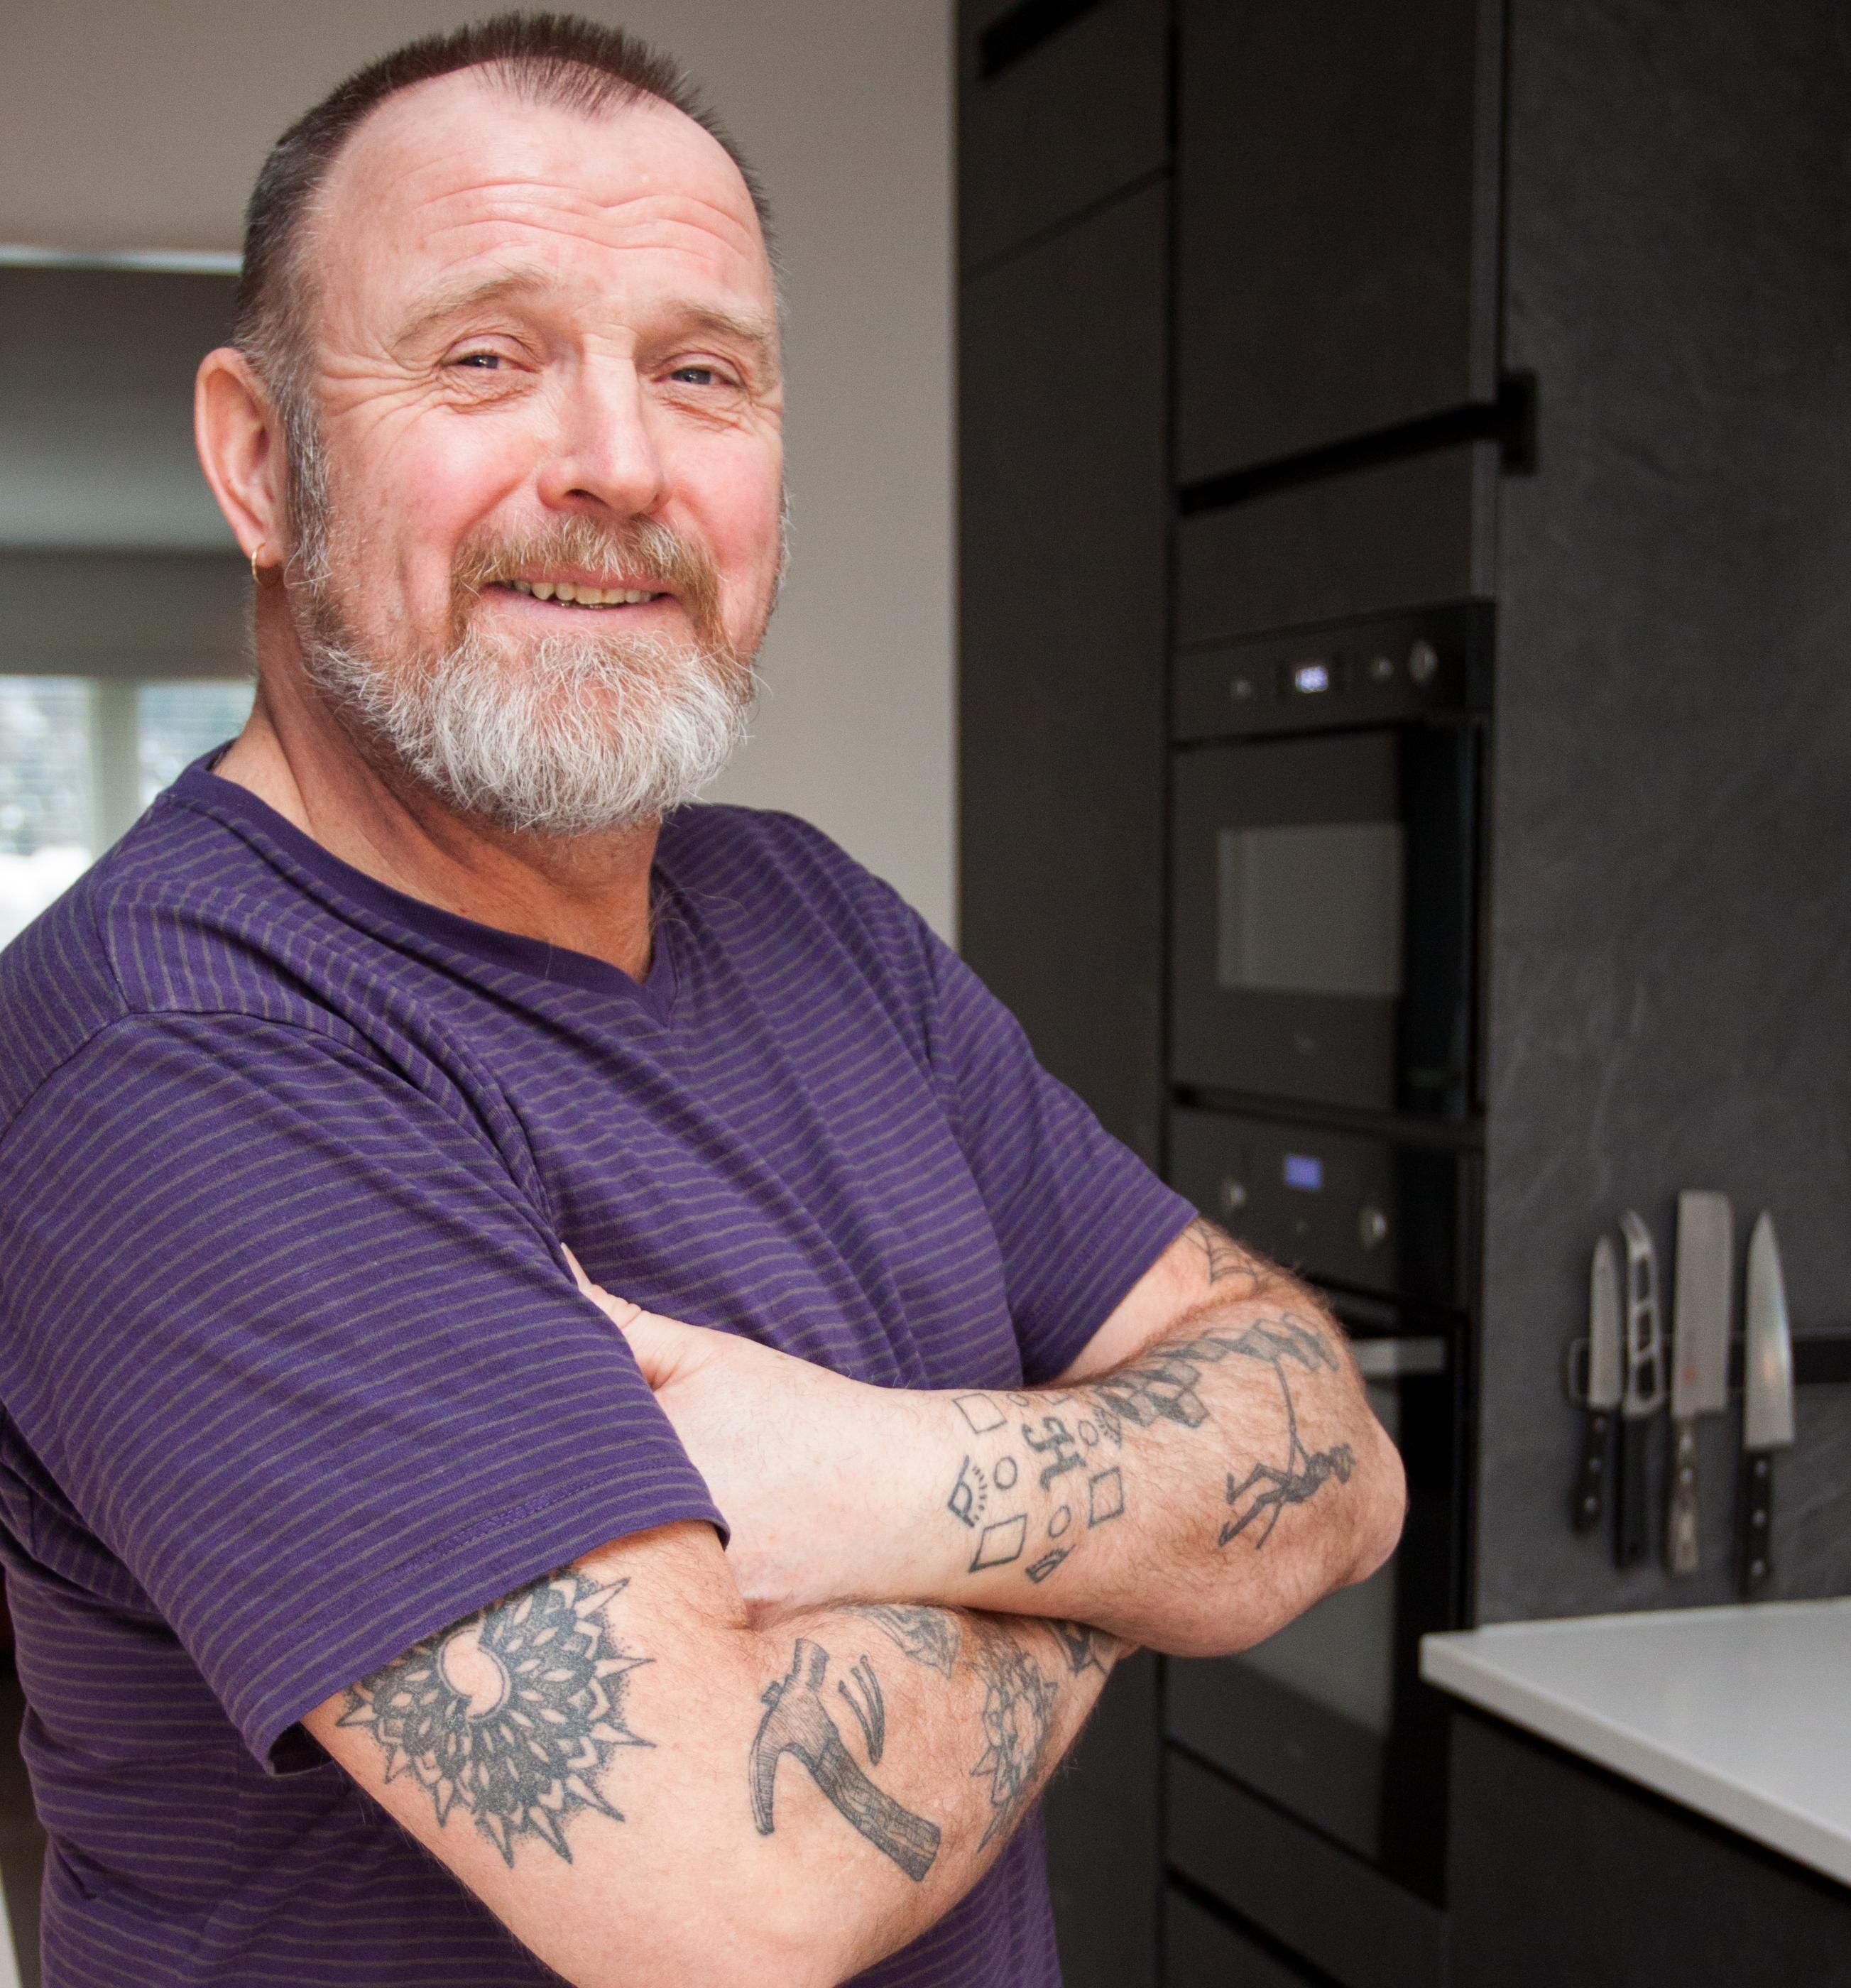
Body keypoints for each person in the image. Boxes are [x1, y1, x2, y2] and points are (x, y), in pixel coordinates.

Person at [0, 14, 1404, 1987]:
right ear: (262, 459)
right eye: (485, 358)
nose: (618, 463)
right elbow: (734, 1902)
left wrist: (882, 1484)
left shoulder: (812, 916)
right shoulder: (176, 1058)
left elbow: (1338, 1454)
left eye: (701, 372)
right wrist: (1132, 1543)